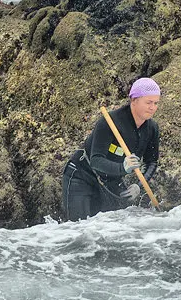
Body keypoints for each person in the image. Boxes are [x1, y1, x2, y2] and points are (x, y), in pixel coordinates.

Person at [62, 78, 161, 221]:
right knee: (79, 228)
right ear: (134, 100)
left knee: (116, 227)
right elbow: (96, 160)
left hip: (111, 179)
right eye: (148, 102)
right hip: (82, 174)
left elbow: (152, 162)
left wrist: (139, 186)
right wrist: (123, 167)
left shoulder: (152, 128)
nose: (152, 107)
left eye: (156, 103)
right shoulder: (110, 121)